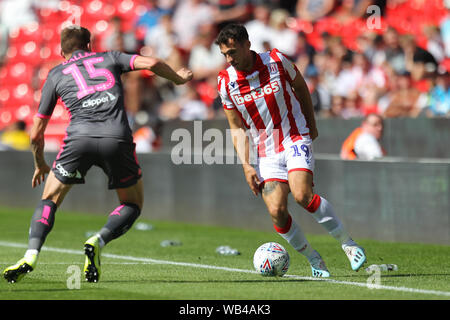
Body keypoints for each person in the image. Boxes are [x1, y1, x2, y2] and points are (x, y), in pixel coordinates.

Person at [3, 25, 193, 283]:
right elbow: (154, 62)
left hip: (78, 141)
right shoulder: (110, 57)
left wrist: (40, 163)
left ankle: (31, 255)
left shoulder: (56, 74)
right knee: (132, 204)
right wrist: (178, 79)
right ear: (90, 46)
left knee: (48, 200)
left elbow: (36, 132)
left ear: (61, 51)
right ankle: (98, 239)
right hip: (117, 138)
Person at [215, 24, 366, 278]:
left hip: (294, 137)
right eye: (225, 55)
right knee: (276, 210)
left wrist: (311, 124)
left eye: (232, 52)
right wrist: (247, 164)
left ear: (246, 44)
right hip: (265, 152)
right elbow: (236, 127)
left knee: (302, 195)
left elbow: (301, 88)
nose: (229, 59)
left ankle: (348, 244)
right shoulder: (226, 82)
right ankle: (314, 259)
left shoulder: (276, 61)